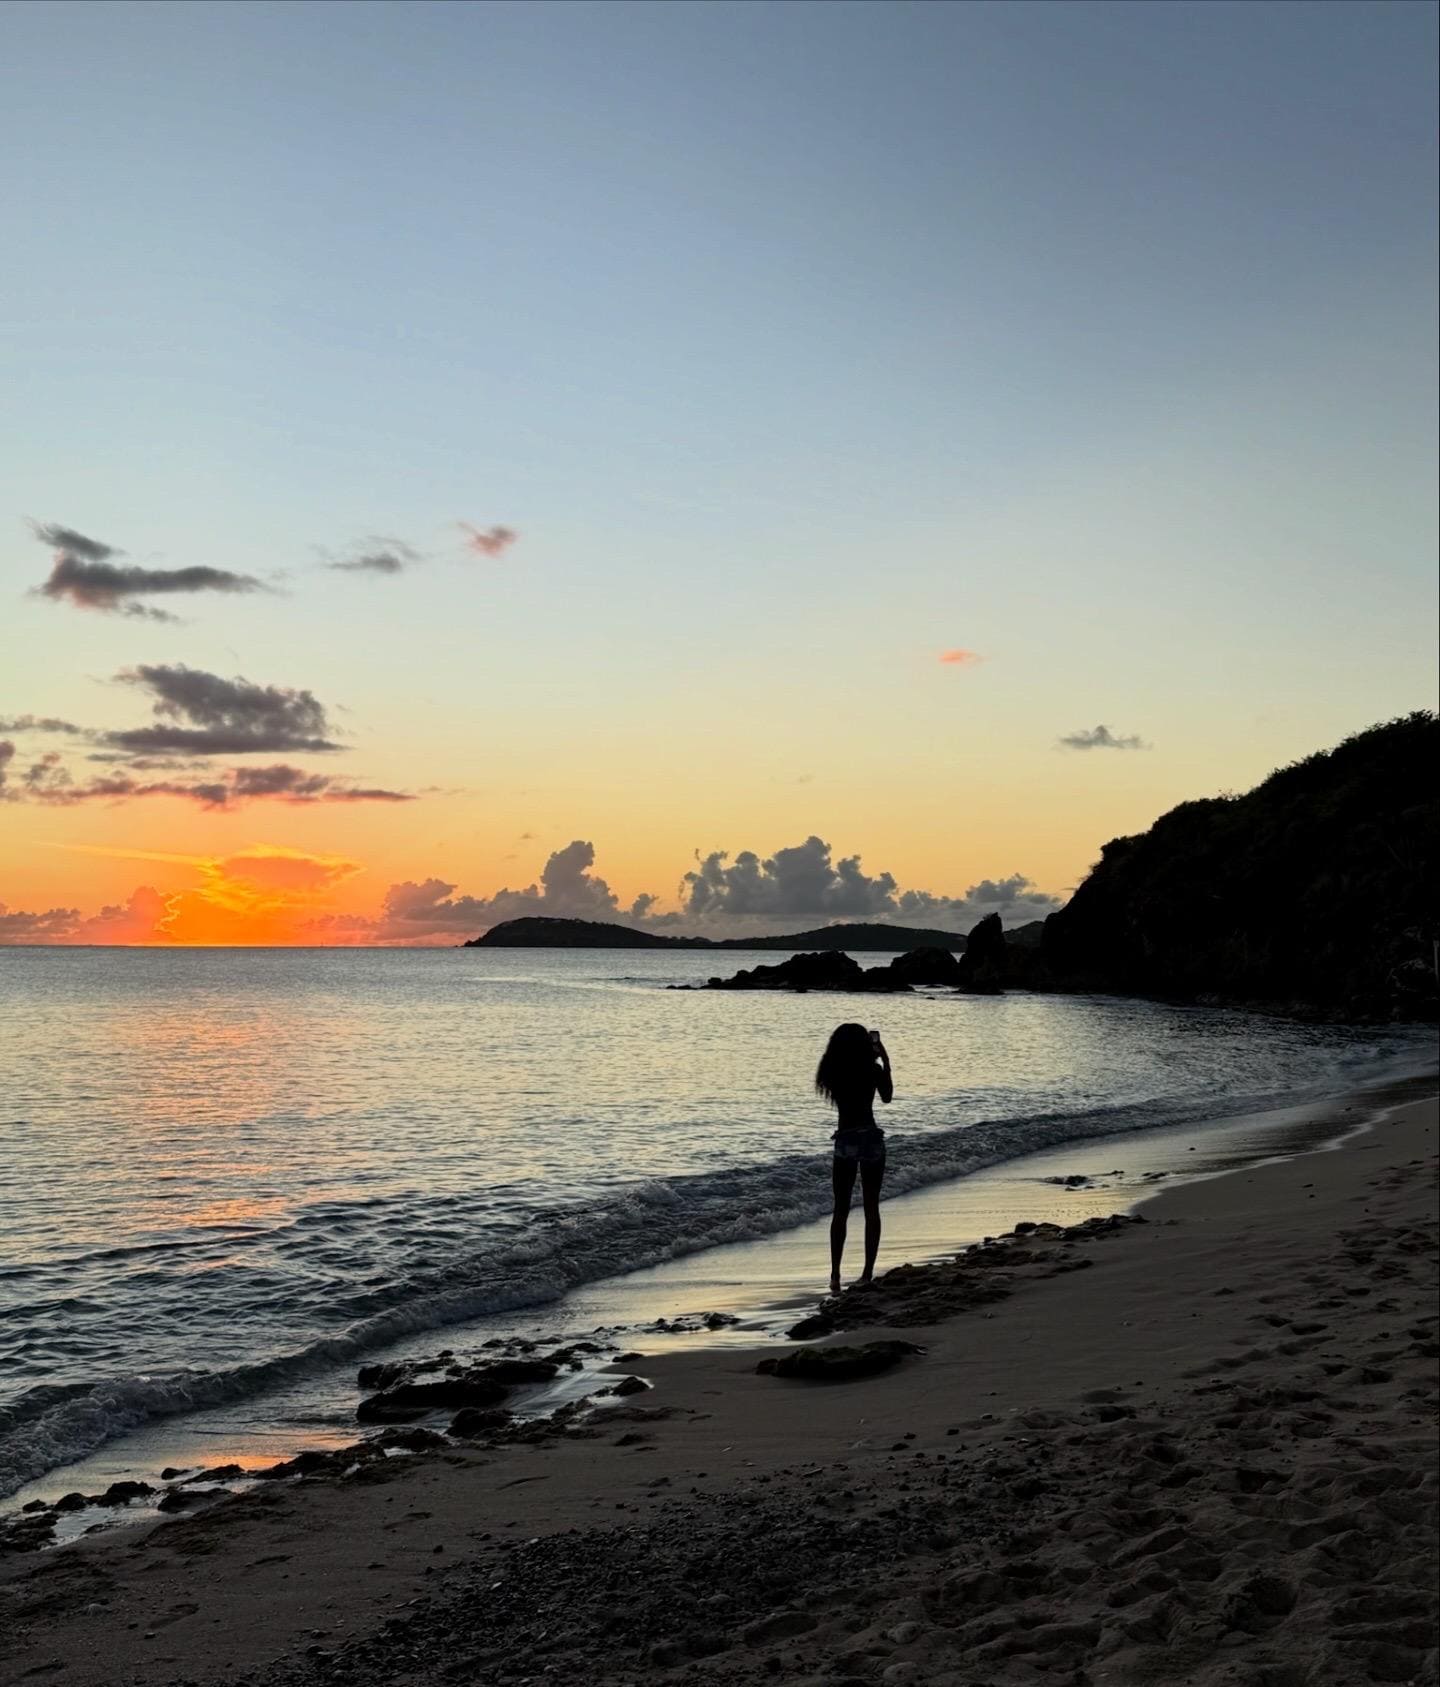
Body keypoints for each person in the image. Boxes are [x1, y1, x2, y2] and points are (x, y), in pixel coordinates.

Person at [816, 1022, 892, 1292]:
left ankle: (835, 1275)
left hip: (846, 1138)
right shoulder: (872, 1069)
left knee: (841, 1210)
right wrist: (885, 1060)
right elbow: (887, 1098)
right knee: (872, 1208)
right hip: (871, 1137)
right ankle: (867, 1273)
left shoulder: (833, 1071)